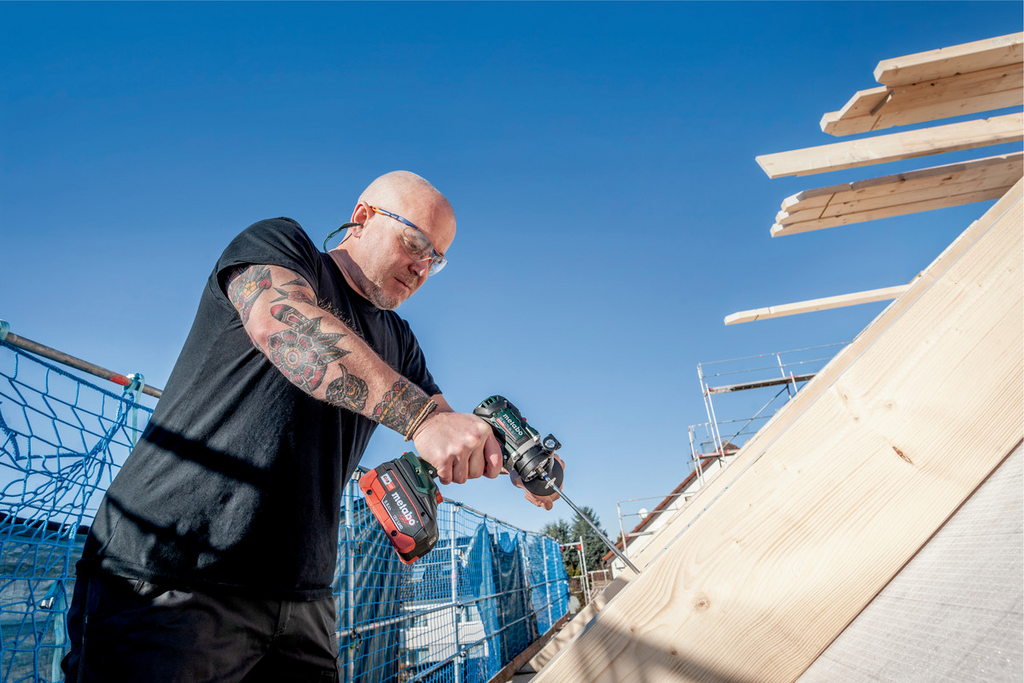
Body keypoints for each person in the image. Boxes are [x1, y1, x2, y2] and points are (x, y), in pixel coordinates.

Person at [61, 171, 559, 682]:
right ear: (362, 219)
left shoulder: (400, 340)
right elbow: (282, 323)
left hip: (302, 601)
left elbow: (449, 431)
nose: (421, 267)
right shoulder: (282, 246)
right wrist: (423, 419)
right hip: (170, 577)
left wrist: (519, 458)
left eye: (436, 260)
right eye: (415, 243)